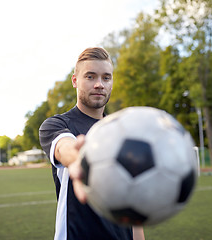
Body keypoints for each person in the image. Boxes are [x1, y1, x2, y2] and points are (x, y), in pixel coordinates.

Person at [39, 47, 145, 240]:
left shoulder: (123, 131)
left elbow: (133, 206)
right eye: (90, 77)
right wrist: (80, 160)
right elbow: (65, 147)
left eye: (106, 77)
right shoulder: (57, 124)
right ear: (75, 81)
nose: (99, 84)